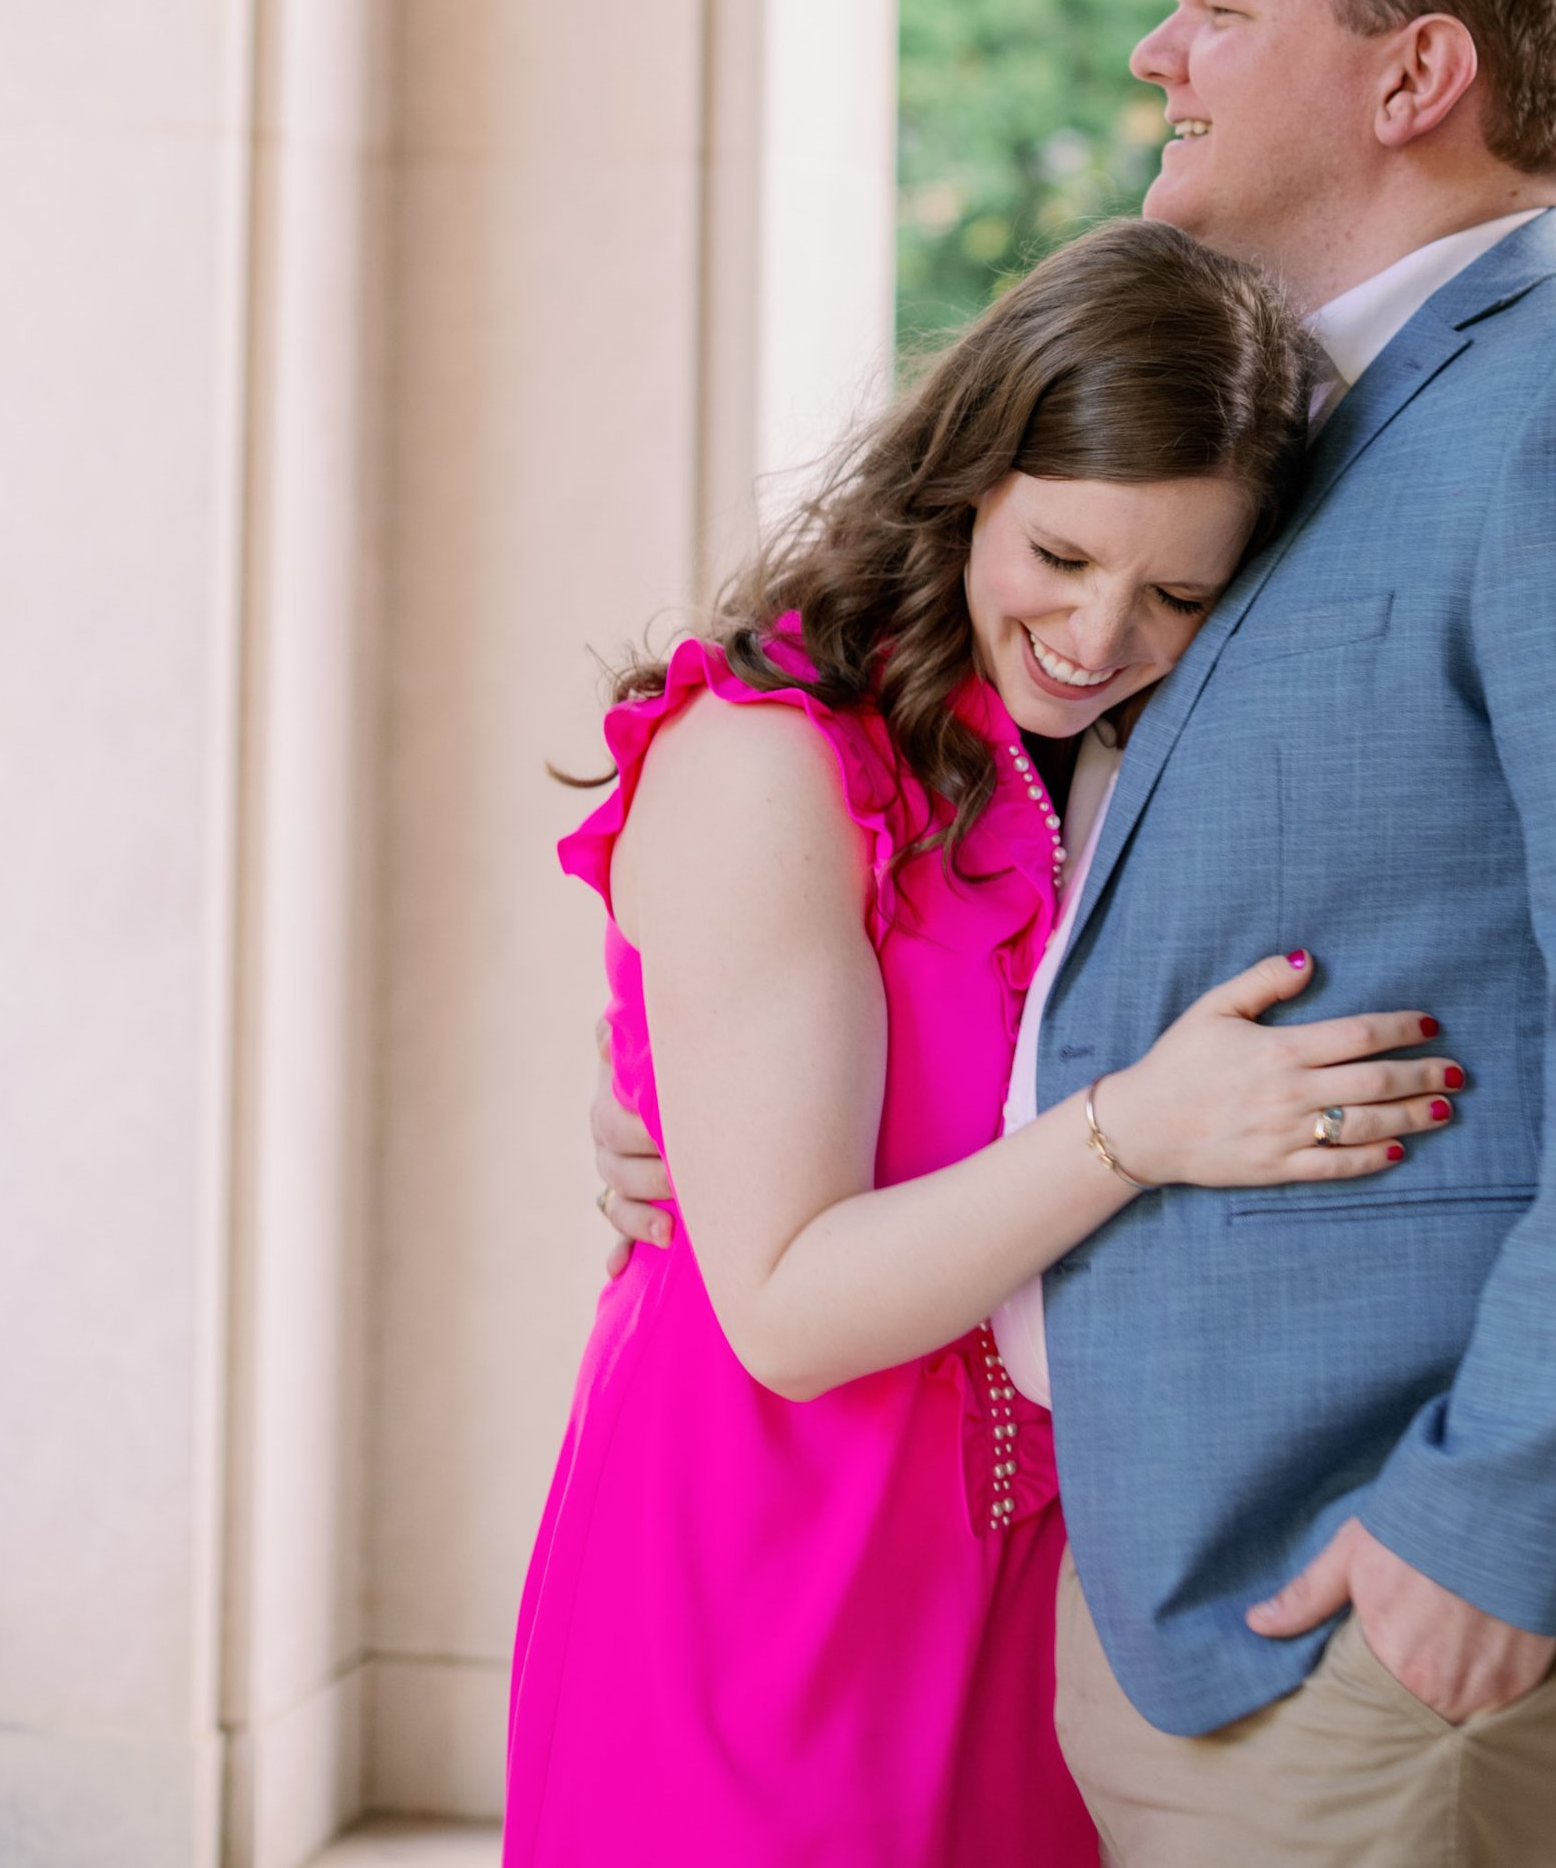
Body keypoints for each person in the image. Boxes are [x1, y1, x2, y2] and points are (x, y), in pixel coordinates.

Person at [597, 0, 1556, 1867]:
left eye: (1212, 10)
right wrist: (701, 1085)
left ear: (1411, 75)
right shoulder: (1284, 435)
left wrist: (1501, 1517)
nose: (1150, 57)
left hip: (1404, 1578)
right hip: (1160, 1580)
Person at [509, 219, 1459, 1868]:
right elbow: (792, 1310)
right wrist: (1135, 1128)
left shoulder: (1151, 748)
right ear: (970, 476)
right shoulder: (773, 750)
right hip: (760, 1569)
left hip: (1038, 1582)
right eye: (1062, 555)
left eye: (1179, 590)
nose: (1101, 635)